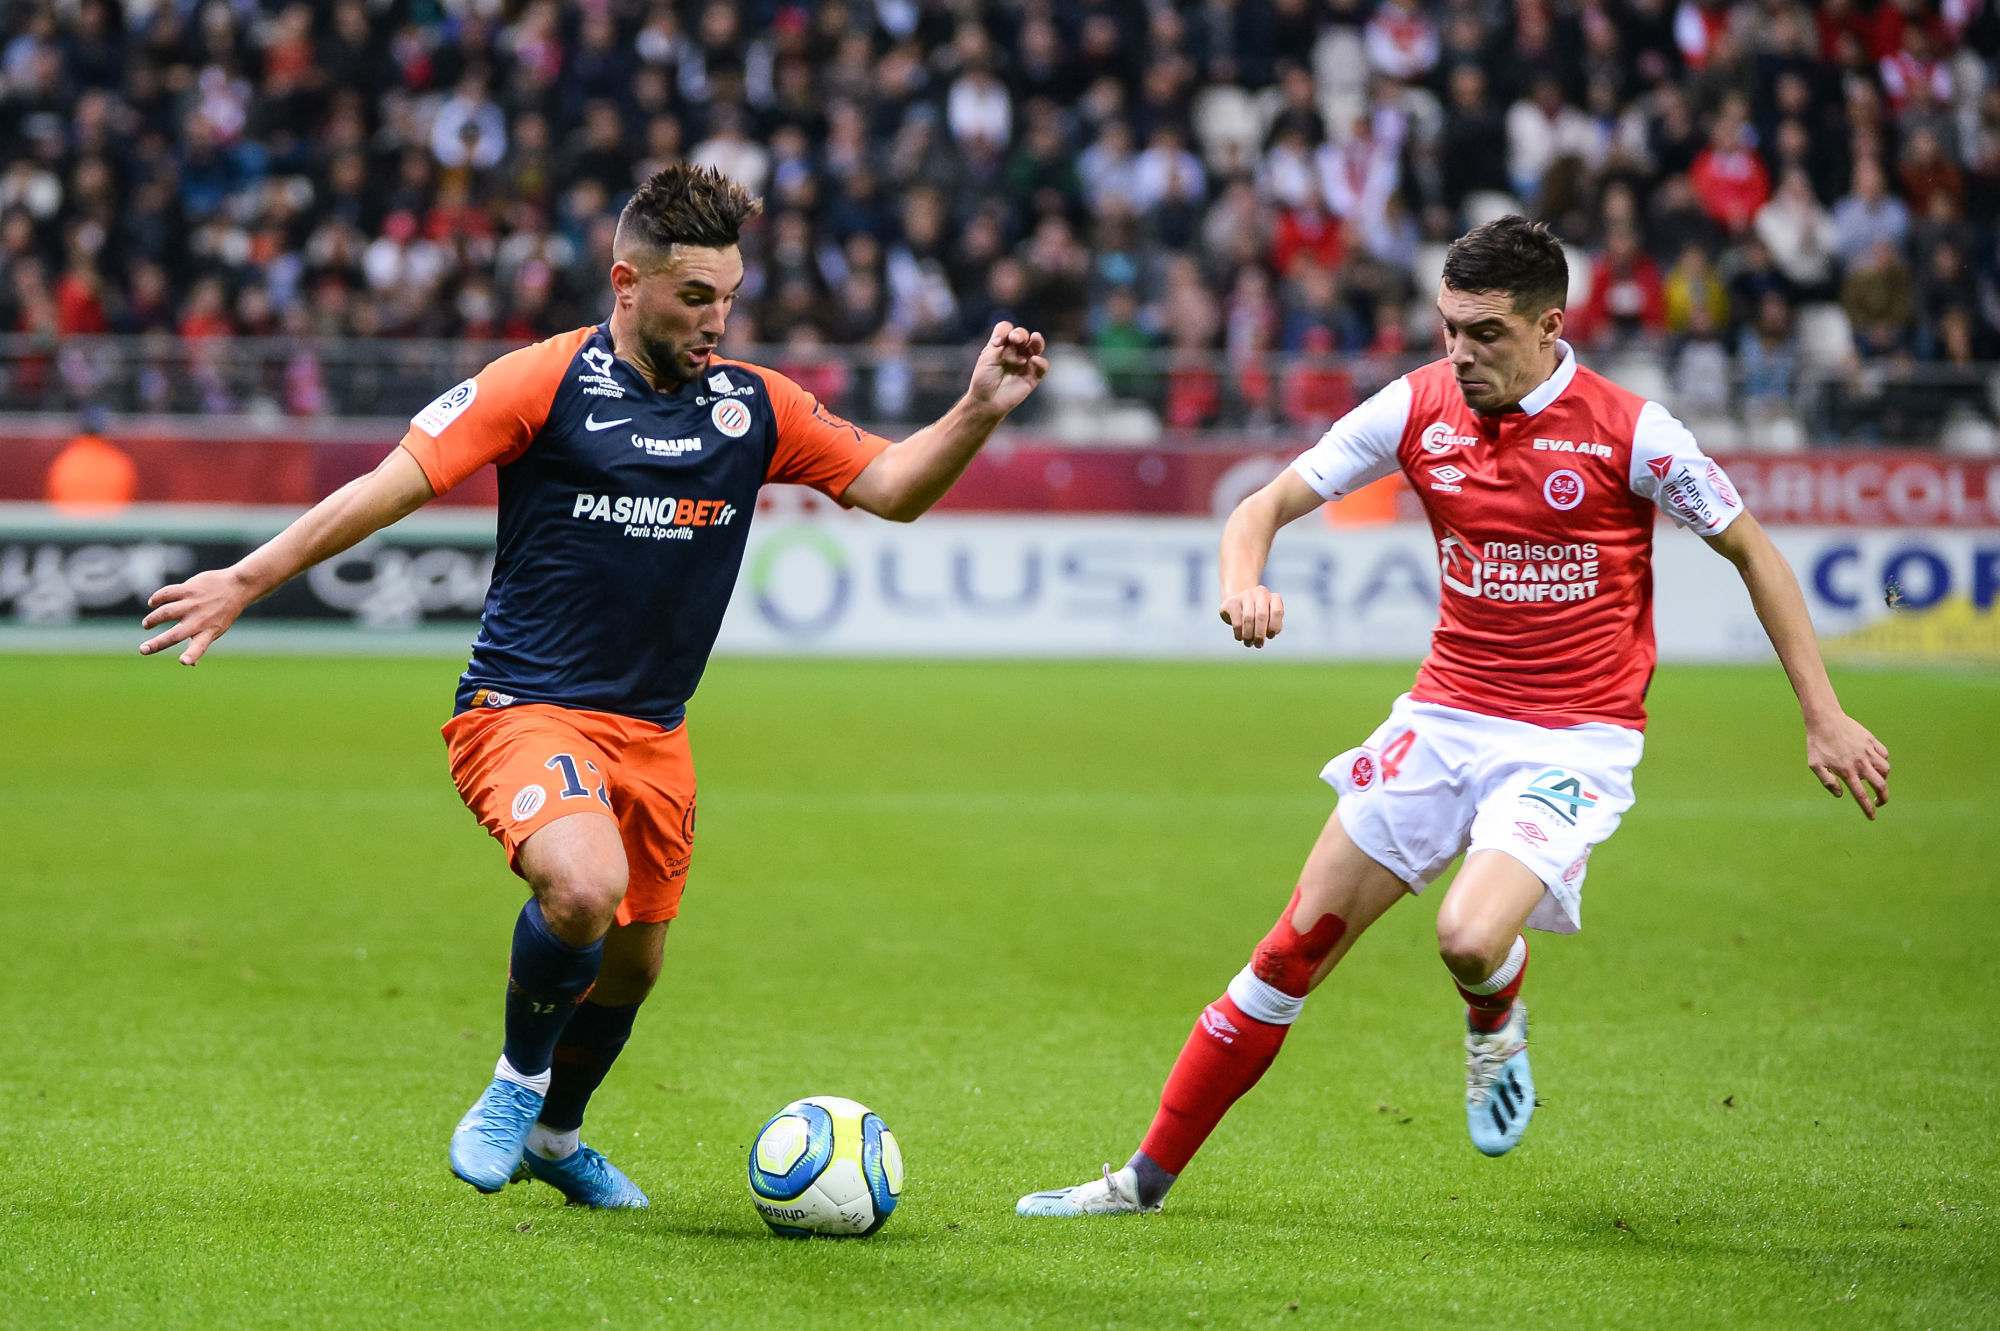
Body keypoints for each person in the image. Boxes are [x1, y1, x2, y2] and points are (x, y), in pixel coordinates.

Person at [139, 164, 1049, 1209]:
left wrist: (978, 407)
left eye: (729, 298)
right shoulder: (542, 381)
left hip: (655, 734)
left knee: (632, 967)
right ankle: (515, 1085)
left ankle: (559, 1137)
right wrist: (246, 579)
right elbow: (391, 484)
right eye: (695, 297)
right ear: (627, 282)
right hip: (521, 708)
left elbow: (890, 488)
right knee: (580, 887)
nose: (716, 320)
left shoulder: (753, 405)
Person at [1018, 216, 1887, 1218]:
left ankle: (1494, 1008)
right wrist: (1239, 579)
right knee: (1286, 949)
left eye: (1483, 333)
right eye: (1445, 327)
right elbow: (1256, 506)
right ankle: (1139, 1182)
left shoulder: (1632, 432)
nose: (1457, 353)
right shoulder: (1415, 406)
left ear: (1549, 324)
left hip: (1573, 738)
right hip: (1441, 719)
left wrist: (1821, 714)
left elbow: (1751, 551)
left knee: (1466, 936)